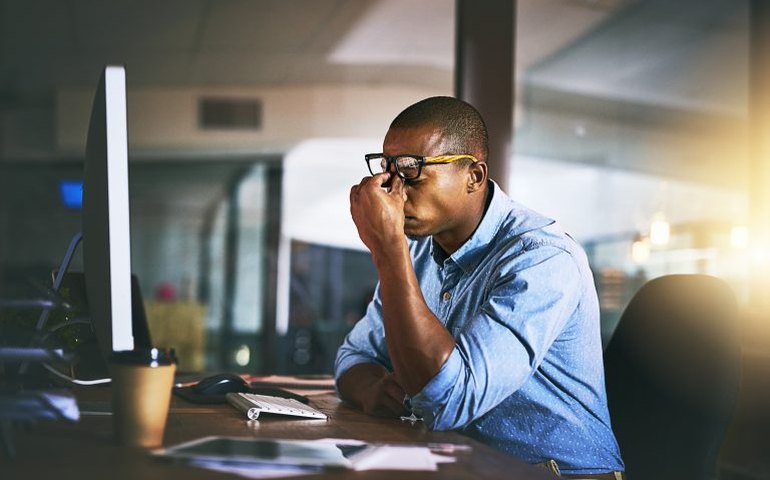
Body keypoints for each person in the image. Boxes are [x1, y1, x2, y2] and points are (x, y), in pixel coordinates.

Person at [335, 96, 625, 478]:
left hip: (558, 474)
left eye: (411, 170)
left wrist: (388, 249)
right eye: (387, 170)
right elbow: (352, 356)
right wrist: (374, 391)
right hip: (466, 467)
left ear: (473, 175)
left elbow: (448, 399)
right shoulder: (421, 251)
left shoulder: (543, 258)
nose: (392, 190)